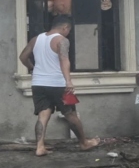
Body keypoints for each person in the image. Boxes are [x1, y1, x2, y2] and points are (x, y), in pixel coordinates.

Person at [19, 15, 99, 156]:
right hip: (57, 84)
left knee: (43, 115)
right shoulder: (62, 40)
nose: (68, 32)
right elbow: (64, 60)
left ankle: (40, 147)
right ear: (65, 27)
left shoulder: (35, 39)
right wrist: (68, 81)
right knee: (70, 114)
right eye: (69, 30)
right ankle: (84, 143)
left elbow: (23, 57)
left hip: (38, 83)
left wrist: (32, 68)